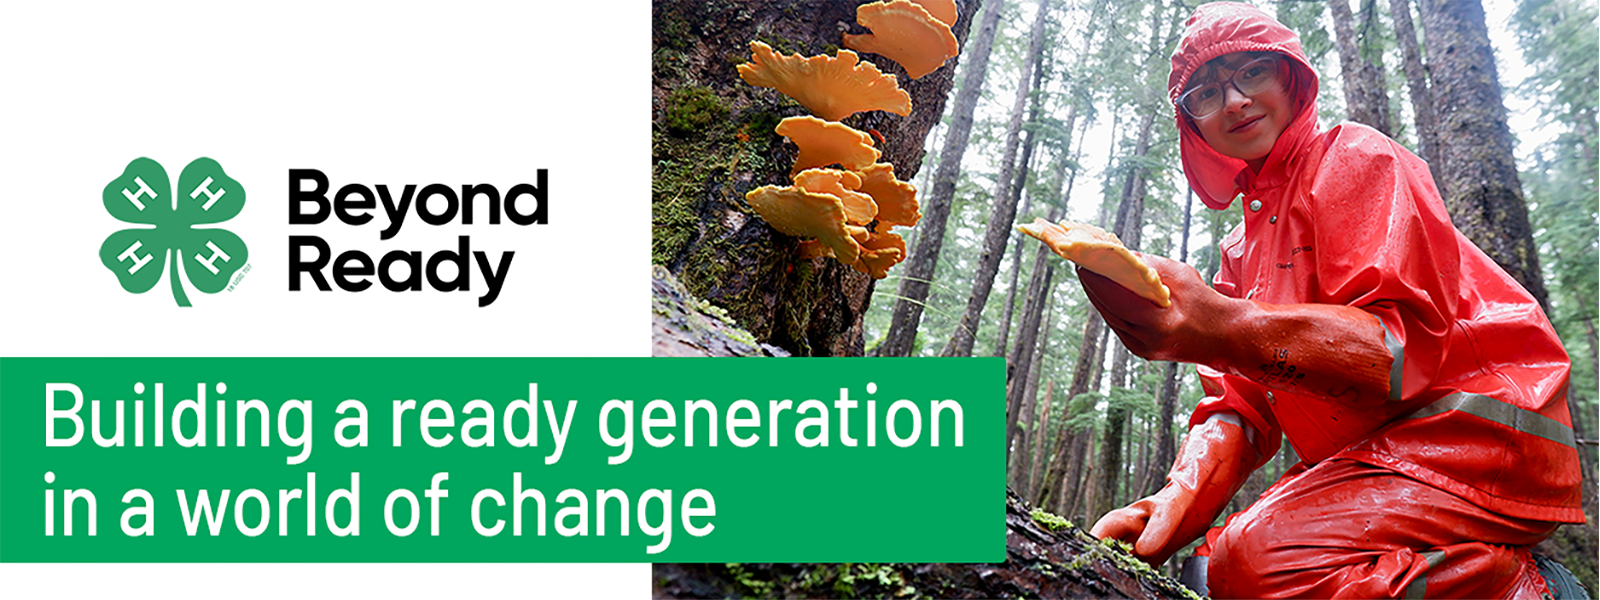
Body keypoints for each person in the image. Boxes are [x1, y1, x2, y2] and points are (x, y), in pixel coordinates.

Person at [1026, 3, 1586, 598]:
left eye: (1252, 72)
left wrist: (1221, 325)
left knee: (1257, 565)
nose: (1235, 100)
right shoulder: (1243, 247)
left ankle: (1521, 589)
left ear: (1289, 76)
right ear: (1193, 124)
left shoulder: (1356, 158)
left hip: (1481, 438)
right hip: (1383, 452)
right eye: (1207, 93)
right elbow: (1240, 404)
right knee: (1209, 566)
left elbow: (1401, 353)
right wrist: (1174, 504)